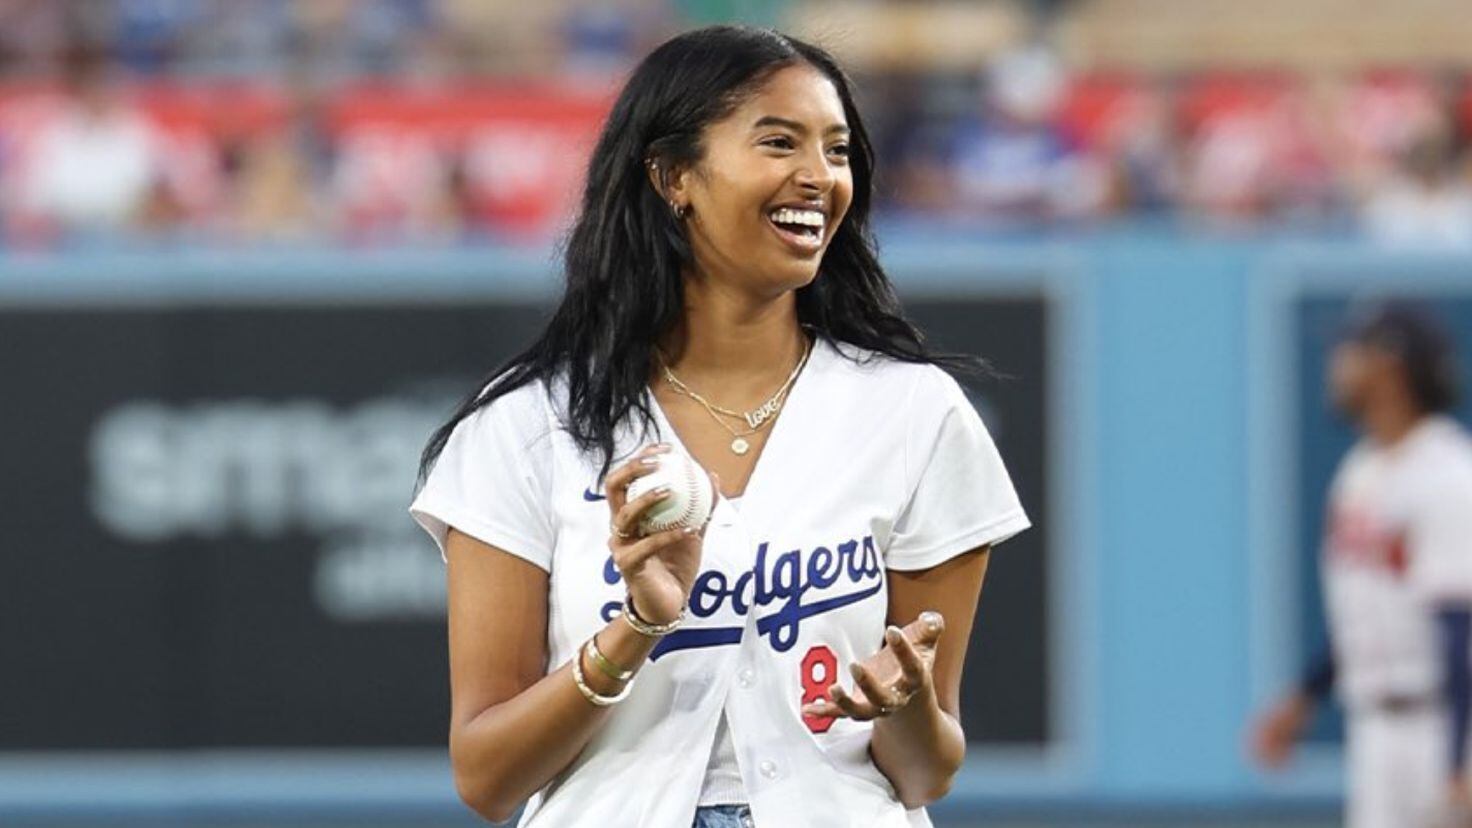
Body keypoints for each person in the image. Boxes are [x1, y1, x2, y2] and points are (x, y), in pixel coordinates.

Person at [407, 25, 1029, 828]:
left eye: (837, 151)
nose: (818, 177)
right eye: (779, 142)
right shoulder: (528, 424)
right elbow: (486, 778)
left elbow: (926, 772)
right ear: (672, 175)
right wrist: (636, 630)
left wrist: (901, 705)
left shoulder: (915, 411)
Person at [1249, 302, 1472, 828]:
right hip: (1374, 728)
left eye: (1351, 352)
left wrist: (1459, 760)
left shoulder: (1448, 474)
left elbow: (1461, 625)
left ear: (1391, 365)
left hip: (1442, 722)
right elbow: (1367, 617)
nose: (1337, 365)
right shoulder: (1359, 472)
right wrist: (1305, 696)